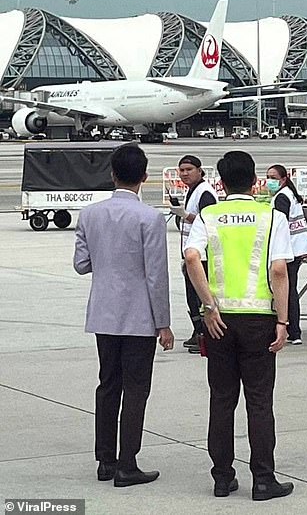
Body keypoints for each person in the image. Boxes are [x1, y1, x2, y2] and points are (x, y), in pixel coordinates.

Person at [184, 150, 295, 501]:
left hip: (219, 321)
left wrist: (207, 306)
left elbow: (191, 257)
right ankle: (263, 479)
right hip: (259, 320)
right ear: (255, 181)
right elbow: (278, 270)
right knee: (259, 401)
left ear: (220, 181)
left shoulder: (208, 215)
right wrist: (283, 320)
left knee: (221, 398)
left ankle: (222, 477)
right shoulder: (271, 216)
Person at [73, 144, 174, 488]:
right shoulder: (150, 218)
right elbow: (156, 275)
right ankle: (127, 463)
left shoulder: (90, 215)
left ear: (112, 174)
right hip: (139, 318)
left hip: (103, 313)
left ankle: (105, 460)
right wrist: (164, 323)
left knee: (108, 385)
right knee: (136, 389)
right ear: (144, 177)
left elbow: (81, 264)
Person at [169, 155, 217, 353]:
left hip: (202, 257)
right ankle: (197, 332)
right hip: (191, 254)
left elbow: (209, 221)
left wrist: (186, 215)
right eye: (182, 170)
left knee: (199, 297)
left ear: (200, 170)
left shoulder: (205, 193)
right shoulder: (193, 191)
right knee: (191, 297)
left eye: (189, 169)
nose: (185, 173)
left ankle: (205, 335)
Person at [266, 164, 307, 345]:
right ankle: (294, 330)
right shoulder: (288, 194)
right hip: (296, 249)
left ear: (284, 179)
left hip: (289, 250)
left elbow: (280, 224)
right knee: (290, 290)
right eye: (268, 177)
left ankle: (291, 330)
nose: (269, 181)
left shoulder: (281, 198)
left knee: (285, 291)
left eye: (273, 178)